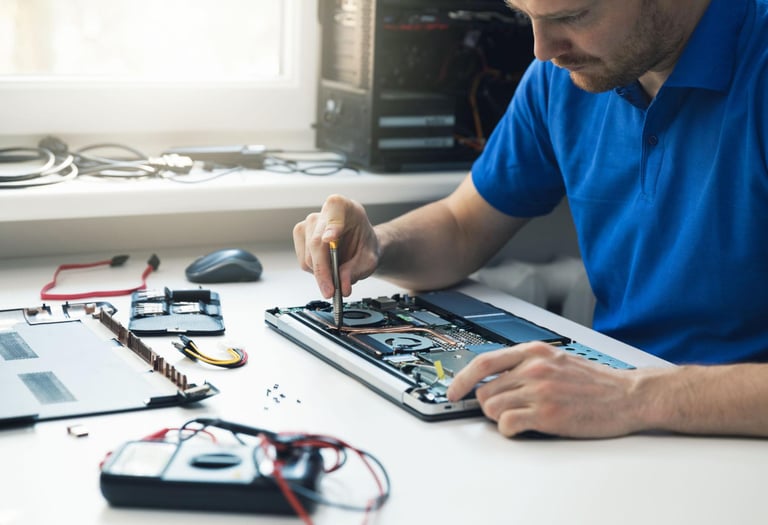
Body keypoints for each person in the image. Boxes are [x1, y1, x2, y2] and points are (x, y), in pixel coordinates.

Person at [293, 0, 768, 438]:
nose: (543, 50)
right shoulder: (566, 76)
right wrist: (376, 244)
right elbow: (462, 227)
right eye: (525, 15)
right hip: (625, 417)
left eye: (573, 16)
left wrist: (632, 396)